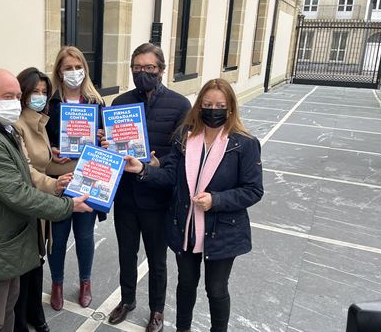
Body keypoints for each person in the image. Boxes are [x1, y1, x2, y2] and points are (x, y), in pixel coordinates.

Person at [0, 68, 91, 332]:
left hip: (5, 246)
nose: (15, 102)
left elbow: (25, 171)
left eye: (17, 96)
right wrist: (67, 205)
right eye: (8, 96)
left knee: (7, 314)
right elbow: (18, 193)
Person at [122, 78, 264, 332]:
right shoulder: (185, 138)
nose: (213, 109)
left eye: (220, 105)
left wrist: (216, 200)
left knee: (216, 289)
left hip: (222, 230)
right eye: (207, 104)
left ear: (230, 108)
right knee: (186, 284)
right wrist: (142, 169)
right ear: (199, 106)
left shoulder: (244, 143)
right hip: (185, 227)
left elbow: (253, 190)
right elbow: (168, 176)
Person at [107, 43, 191, 332]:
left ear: (162, 70)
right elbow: (113, 149)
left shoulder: (181, 105)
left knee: (157, 260)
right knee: (126, 253)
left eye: (150, 68)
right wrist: (106, 145)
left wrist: (156, 167)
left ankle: (157, 310)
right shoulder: (120, 103)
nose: (143, 73)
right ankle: (127, 299)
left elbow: (180, 155)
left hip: (158, 198)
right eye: (137, 68)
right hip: (126, 196)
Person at [12, 67, 72, 332]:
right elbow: (26, 169)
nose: (39, 96)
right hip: (28, 206)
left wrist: (86, 164)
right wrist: (56, 184)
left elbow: (44, 163)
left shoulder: (39, 120)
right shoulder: (17, 124)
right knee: (25, 268)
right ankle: (21, 320)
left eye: (44, 92)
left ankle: (35, 313)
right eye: (34, 91)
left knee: (37, 263)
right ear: (22, 93)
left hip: (40, 206)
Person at [45, 46, 105, 310]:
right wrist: (51, 151)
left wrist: (105, 142)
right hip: (58, 180)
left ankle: (85, 283)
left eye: (77, 67)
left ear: (85, 69)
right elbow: (38, 141)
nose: (73, 72)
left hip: (88, 180)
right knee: (57, 238)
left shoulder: (96, 103)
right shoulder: (49, 104)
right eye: (67, 68)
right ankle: (56, 284)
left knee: (84, 236)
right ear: (59, 71)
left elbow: (108, 141)